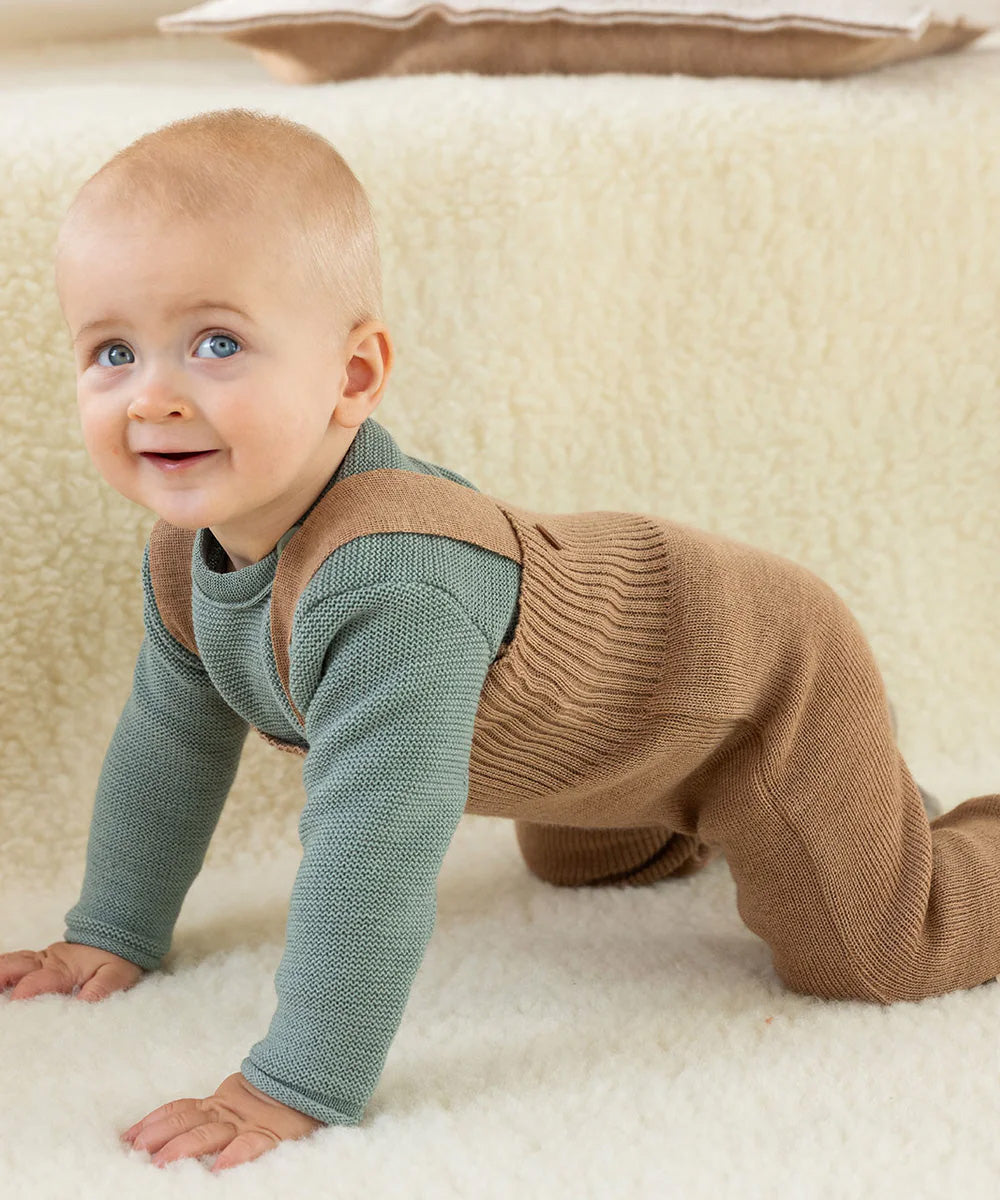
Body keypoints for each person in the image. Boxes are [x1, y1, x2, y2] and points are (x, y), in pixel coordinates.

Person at [0, 106, 989, 1175]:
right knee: (586, 861)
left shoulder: (393, 583)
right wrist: (113, 928)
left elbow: (372, 852)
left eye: (217, 342)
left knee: (875, 947)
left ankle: (906, 838)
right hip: (605, 753)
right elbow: (169, 745)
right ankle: (835, 818)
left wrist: (292, 1085)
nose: (154, 394)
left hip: (759, 676)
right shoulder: (184, 561)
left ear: (354, 377)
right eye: (111, 350)